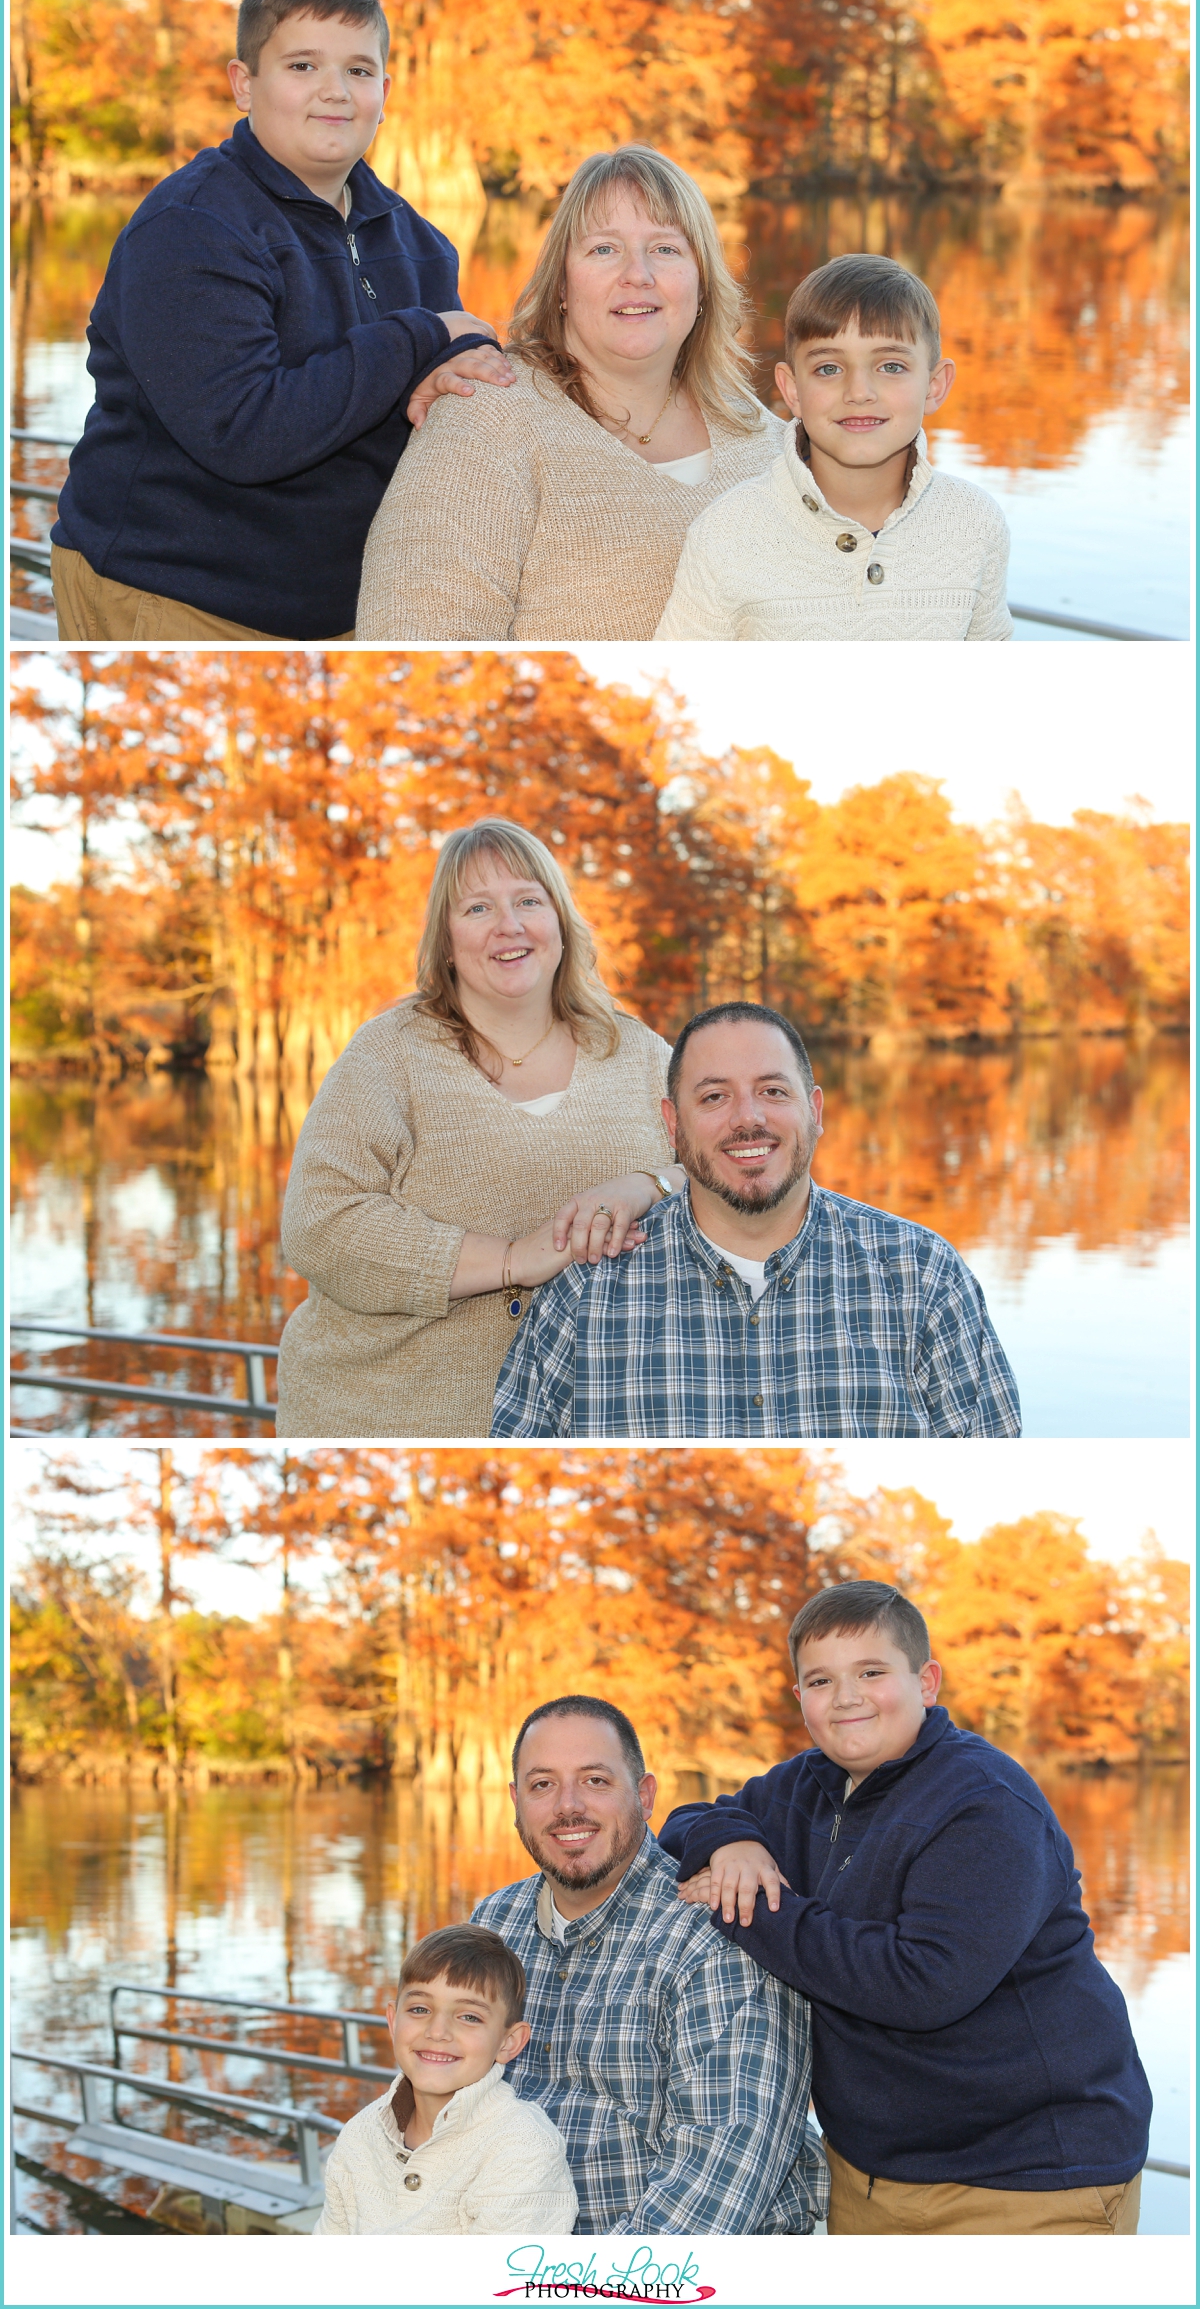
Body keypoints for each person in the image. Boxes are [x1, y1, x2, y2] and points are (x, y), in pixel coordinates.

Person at [659, 1579, 1152, 2237]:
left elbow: (922, 1985)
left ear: (926, 1681)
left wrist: (749, 1904)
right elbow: (683, 1821)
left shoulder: (984, 1802)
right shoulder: (807, 1784)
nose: (848, 1697)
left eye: (871, 1671)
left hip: (1030, 2177)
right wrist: (733, 1841)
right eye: (821, 1680)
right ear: (800, 1697)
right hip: (868, 2174)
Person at [50, 0, 514, 642]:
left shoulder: (419, 243)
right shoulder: (193, 226)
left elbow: (444, 367)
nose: (334, 91)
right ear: (245, 83)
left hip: (345, 608)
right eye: (302, 65)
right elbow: (245, 432)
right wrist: (419, 339)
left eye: (358, 71)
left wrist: (465, 356)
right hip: (173, 595)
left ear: (383, 92)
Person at [277, 818, 683, 1437]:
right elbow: (319, 1224)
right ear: (445, 940)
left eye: (528, 900)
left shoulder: (637, 1051)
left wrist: (649, 1184)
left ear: (560, 925)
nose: (509, 926)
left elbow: (727, 1172)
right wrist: (514, 1260)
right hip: (393, 1421)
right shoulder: (391, 1054)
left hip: (593, 1419)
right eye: (477, 908)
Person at [490, 1000, 1021, 1438]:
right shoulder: (586, 1292)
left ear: (815, 1111)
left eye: (772, 1091)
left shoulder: (922, 1276)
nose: (749, 1118)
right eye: (715, 1097)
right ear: (672, 1124)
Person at [355, 145, 787, 641]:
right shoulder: (485, 419)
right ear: (561, 284)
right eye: (604, 249)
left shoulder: (763, 438)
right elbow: (417, 646)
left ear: (703, 282)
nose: (637, 275)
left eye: (666, 249)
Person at [472, 1696, 829, 2235]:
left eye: (595, 1780)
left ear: (645, 1796)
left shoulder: (719, 1928)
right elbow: (443, 2098)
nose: (568, 1806)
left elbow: (717, 2181)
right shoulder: (492, 1924)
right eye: (542, 1784)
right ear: (516, 1801)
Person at [654, 252, 1011, 641]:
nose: (859, 392)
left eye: (891, 366)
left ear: (935, 385)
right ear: (792, 390)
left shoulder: (975, 524)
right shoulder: (727, 535)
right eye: (829, 368)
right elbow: (672, 691)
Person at [314, 1923, 577, 2234]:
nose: (437, 2031)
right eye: (420, 2008)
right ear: (393, 2021)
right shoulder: (360, 2134)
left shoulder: (523, 2148)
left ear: (509, 2042)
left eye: (469, 2017)